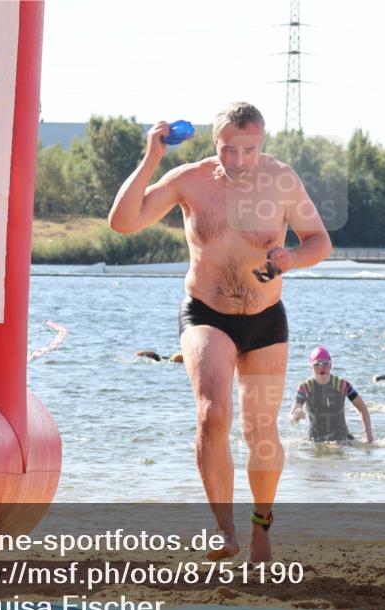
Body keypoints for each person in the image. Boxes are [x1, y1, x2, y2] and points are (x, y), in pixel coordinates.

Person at [109, 102, 332, 561]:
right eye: (229, 150)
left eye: (248, 150)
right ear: (216, 145)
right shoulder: (189, 179)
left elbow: (319, 241)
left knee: (261, 431)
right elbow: (123, 222)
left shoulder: (282, 179)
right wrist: (152, 157)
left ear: (261, 144)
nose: (238, 161)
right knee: (213, 414)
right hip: (206, 312)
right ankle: (225, 530)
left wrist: (292, 258)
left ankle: (260, 528)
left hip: (266, 319)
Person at [290, 347, 374, 444]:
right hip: (316, 441)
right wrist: (295, 417)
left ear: (331, 365)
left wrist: (369, 437)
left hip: (342, 440)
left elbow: (362, 408)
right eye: (317, 364)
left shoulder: (342, 385)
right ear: (311, 366)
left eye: (325, 363)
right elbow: (291, 418)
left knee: (337, 447)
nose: (321, 367)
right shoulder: (305, 387)